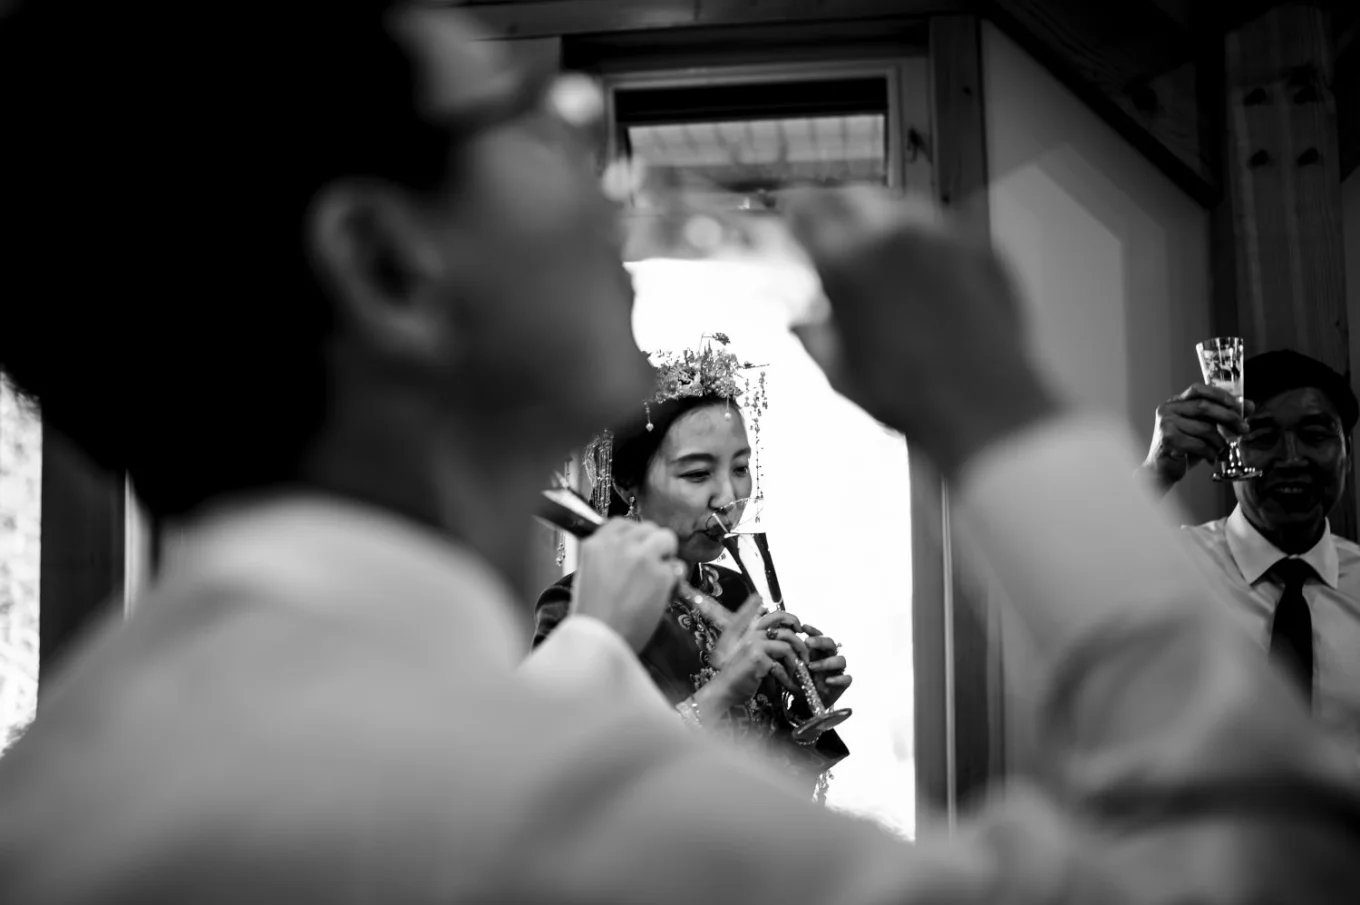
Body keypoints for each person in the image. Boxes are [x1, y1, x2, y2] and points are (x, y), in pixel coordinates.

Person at [1, 3, 1358, 903]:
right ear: (388, 266)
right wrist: (998, 410)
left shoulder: (97, 767)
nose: (605, 167)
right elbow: (1259, 869)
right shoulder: (526, 812)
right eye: (543, 126)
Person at [533, 362, 851, 797]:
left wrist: (801, 716)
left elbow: (767, 794)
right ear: (629, 485)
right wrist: (721, 693)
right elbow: (570, 788)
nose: (729, 498)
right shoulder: (579, 608)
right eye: (698, 474)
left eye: (740, 468)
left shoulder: (738, 593)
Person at [1141, 349, 1360, 758]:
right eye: (1261, 437)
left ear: (1346, 450)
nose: (1293, 459)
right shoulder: (1170, 568)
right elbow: (1051, 586)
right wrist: (1157, 471)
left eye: (1315, 435)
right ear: (1227, 453)